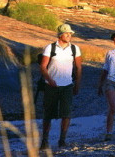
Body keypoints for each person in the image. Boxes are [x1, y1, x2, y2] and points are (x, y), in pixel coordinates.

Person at [39, 23, 82, 151]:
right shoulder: (50, 48)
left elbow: (79, 67)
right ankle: (44, 141)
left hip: (67, 86)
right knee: (48, 114)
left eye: (70, 34)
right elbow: (42, 66)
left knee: (66, 114)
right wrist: (50, 80)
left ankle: (62, 140)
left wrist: (77, 84)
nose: (69, 36)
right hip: (51, 86)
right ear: (60, 35)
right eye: (67, 33)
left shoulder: (75, 49)